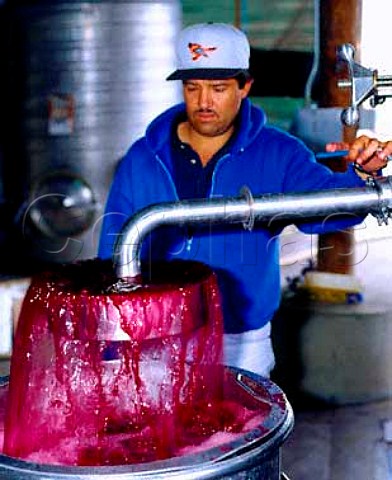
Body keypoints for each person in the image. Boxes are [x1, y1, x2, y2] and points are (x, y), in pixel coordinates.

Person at [98, 23, 388, 378]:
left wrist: (362, 176)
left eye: (218, 88)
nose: (204, 102)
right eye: (193, 88)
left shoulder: (279, 153)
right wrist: (111, 337)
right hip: (156, 339)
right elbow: (111, 245)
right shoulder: (143, 156)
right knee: (158, 433)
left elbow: (326, 210)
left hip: (240, 342)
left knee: (241, 432)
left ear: (245, 86)